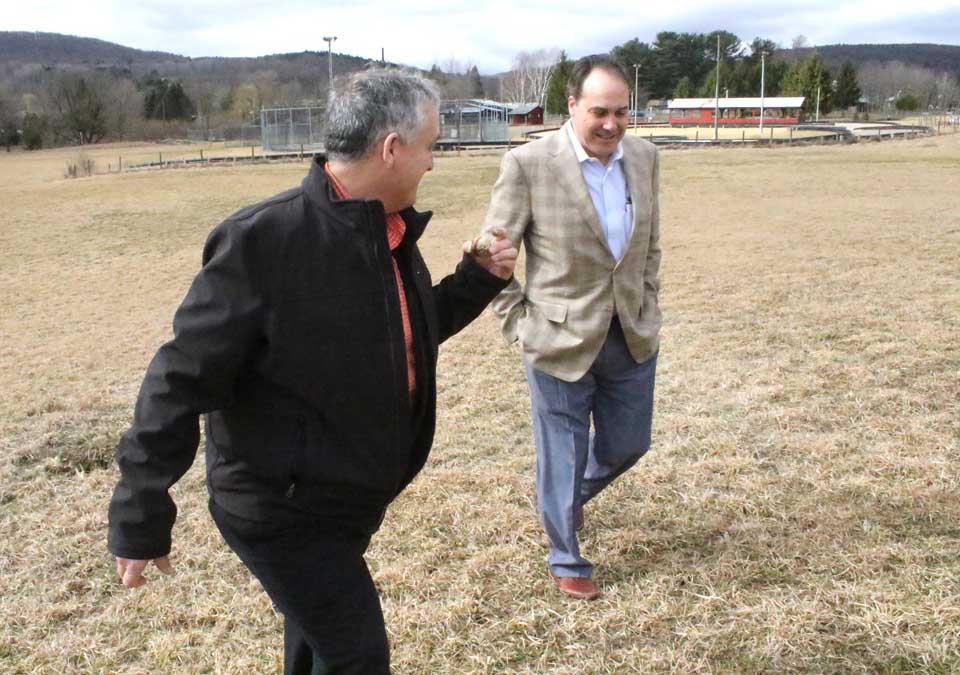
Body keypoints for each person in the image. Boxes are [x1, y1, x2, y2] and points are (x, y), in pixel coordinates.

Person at [107, 68, 517, 674]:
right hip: (282, 509)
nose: (433, 162)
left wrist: (478, 280)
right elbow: (178, 377)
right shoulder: (263, 240)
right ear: (391, 149)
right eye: (430, 146)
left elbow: (402, 333)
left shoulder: (386, 229)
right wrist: (140, 509)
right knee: (356, 655)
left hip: (344, 500)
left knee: (318, 639)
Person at [481, 55, 661, 601]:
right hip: (555, 339)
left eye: (622, 113)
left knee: (629, 444)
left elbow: (648, 246)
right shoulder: (529, 164)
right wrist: (520, 327)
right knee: (561, 450)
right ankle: (566, 554)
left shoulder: (647, 157)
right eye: (600, 112)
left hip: (629, 332)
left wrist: (648, 300)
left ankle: (563, 497)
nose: (611, 124)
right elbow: (494, 256)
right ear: (572, 106)